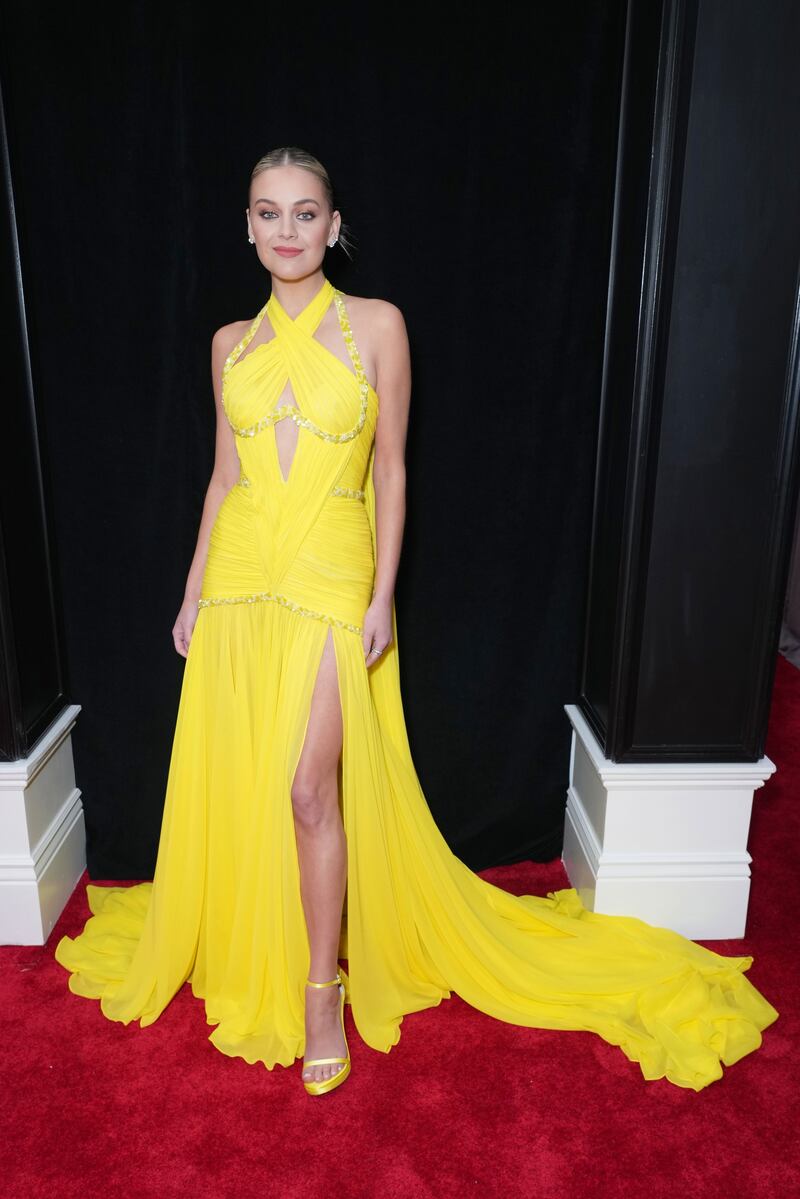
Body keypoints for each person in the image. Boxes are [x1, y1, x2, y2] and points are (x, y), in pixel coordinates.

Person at [56, 146, 779, 1097]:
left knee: (308, 785)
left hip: (331, 565)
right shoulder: (230, 342)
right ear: (247, 226)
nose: (286, 229)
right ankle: (264, 941)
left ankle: (321, 990)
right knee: (249, 772)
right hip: (240, 575)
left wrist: (381, 594)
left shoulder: (377, 324)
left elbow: (392, 468)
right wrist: (192, 590)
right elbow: (224, 478)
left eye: (305, 212)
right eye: (268, 212)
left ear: (333, 225)